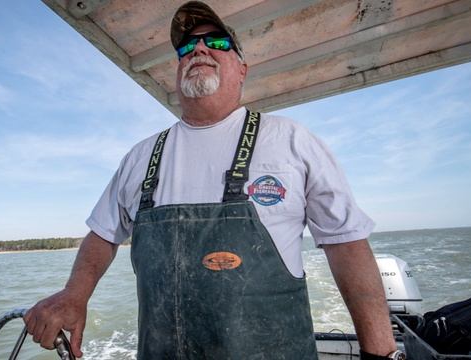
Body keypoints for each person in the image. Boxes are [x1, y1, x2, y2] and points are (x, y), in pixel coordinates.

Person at [24, 1, 403, 359]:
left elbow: (346, 245)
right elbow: (104, 235)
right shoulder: (140, 157)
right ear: (177, 69)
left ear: (242, 68)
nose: (199, 49)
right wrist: (75, 294)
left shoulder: (291, 141)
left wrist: (380, 353)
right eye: (187, 46)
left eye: (217, 42)